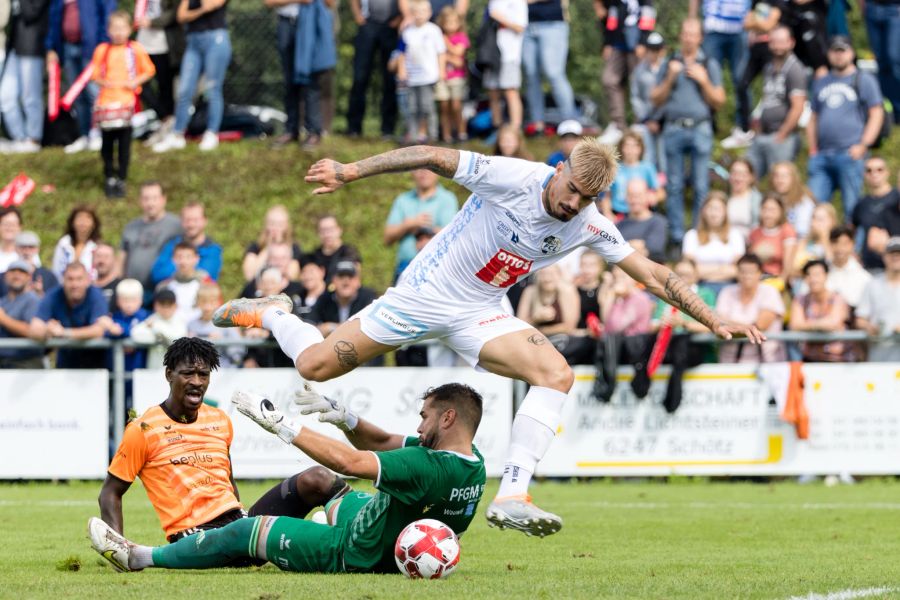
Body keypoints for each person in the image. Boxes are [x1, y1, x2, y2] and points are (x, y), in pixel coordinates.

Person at [213, 140, 763, 536]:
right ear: (559, 167)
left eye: (584, 199)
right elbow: (432, 155)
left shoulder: (589, 221)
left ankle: (515, 494)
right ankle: (274, 312)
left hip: (480, 313)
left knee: (556, 374)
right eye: (570, 189)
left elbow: (651, 272)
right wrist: (351, 171)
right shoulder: (513, 177)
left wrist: (711, 318)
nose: (571, 204)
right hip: (422, 297)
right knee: (314, 366)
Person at [89, 381, 487, 575]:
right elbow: (381, 440)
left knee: (246, 529)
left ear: (447, 417)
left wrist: (283, 426)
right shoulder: (475, 465)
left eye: (426, 417)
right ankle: (303, 524)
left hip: (354, 550)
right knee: (317, 480)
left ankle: (140, 557)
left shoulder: (424, 464)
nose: (420, 426)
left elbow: (351, 462)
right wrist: (346, 417)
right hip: (382, 526)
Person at [95, 337, 245, 540]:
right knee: (273, 537)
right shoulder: (143, 429)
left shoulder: (220, 419)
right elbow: (110, 493)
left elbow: (229, 483)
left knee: (303, 483)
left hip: (237, 524)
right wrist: (117, 548)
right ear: (169, 375)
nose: (196, 382)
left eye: (203, 374)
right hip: (193, 534)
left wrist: (242, 521)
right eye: (187, 374)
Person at [651, 18, 725, 245]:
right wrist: (671, 77)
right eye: (685, 33)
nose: (689, 38)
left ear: (700, 38)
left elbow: (720, 100)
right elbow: (655, 98)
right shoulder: (670, 61)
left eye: (693, 34)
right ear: (681, 36)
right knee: (674, 185)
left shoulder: (709, 63)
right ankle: (676, 236)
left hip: (700, 128)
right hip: (674, 128)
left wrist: (704, 81)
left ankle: (697, 234)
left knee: (701, 185)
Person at [806, 35, 884, 221]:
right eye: (835, 51)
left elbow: (876, 113)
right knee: (813, 209)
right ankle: (816, 247)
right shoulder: (821, 81)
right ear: (829, 54)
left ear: (851, 53)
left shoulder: (863, 79)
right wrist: (812, 149)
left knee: (853, 209)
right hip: (822, 155)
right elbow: (813, 117)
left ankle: (854, 249)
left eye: (843, 51)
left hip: (850, 153)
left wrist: (864, 145)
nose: (839, 55)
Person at [90, 11, 156, 199]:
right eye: (115, 28)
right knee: (107, 144)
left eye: (122, 28)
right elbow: (94, 74)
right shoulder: (102, 50)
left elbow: (149, 70)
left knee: (125, 144)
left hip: (126, 103)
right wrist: (104, 82)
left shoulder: (135, 49)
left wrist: (135, 81)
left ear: (129, 29)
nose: (118, 32)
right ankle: (109, 175)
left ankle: (122, 178)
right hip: (107, 103)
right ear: (109, 30)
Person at [151, 0, 232, 153]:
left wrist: (194, 13)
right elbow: (181, 16)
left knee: (213, 88)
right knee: (184, 90)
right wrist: (200, 11)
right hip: (193, 42)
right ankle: (177, 134)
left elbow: (211, 5)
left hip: (216, 38)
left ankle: (211, 133)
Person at [266, 0, 336, 150]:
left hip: (312, 24)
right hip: (286, 25)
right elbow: (268, 2)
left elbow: (331, 3)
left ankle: (314, 131)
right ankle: (291, 130)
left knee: (312, 79)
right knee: (289, 81)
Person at [46, 0, 112, 153]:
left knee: (94, 92)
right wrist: (51, 47)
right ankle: (84, 135)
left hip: (91, 47)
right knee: (77, 96)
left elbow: (108, 12)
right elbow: (53, 18)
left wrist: (103, 43)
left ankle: (98, 134)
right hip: (67, 46)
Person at [744, 24, 807, 180]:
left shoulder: (795, 69)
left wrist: (782, 133)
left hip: (782, 135)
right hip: (763, 134)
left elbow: (798, 107)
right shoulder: (769, 67)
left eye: (781, 41)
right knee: (747, 174)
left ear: (791, 42)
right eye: (774, 42)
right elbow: (767, 99)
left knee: (780, 182)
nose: (777, 46)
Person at [688, 0, 752, 150]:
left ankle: (743, 128)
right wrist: (692, 18)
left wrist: (755, 19)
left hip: (740, 28)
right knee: (706, 77)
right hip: (713, 27)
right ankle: (708, 124)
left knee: (742, 79)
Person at [593, 0, 656, 145]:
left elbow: (648, 14)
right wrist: (607, 43)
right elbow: (612, 18)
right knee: (609, 79)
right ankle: (618, 124)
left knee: (638, 82)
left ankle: (639, 122)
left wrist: (643, 40)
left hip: (637, 45)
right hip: (617, 44)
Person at [29, 262, 110, 369]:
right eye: (70, 279)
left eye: (79, 279)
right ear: (63, 280)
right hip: (65, 366)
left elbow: (99, 331)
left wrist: (64, 332)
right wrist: (48, 329)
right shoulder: (54, 295)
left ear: (87, 281)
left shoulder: (96, 295)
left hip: (96, 369)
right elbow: (34, 328)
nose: (74, 284)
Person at [384, 168, 458, 280]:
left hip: (436, 268)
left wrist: (427, 232)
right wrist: (407, 225)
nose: (424, 172)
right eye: (419, 168)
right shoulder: (402, 200)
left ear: (438, 172)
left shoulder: (448, 199)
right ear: (411, 172)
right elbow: (387, 238)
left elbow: (453, 236)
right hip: (404, 268)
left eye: (429, 168)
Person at [345, 0, 404, 138]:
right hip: (368, 25)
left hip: (391, 27)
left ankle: (388, 129)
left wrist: (399, 19)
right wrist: (358, 15)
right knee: (360, 77)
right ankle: (354, 127)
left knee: (390, 79)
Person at [716, 253, 786, 363]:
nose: (747, 276)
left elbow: (761, 325)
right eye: (743, 271)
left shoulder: (770, 291)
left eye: (751, 272)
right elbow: (718, 322)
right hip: (730, 361)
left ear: (760, 273)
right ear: (737, 273)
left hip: (766, 361)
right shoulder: (727, 292)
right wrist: (745, 326)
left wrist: (729, 325)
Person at [0, 0, 49, 154]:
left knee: (31, 96)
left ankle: (33, 138)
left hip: (32, 45)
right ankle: (19, 138)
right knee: (5, 96)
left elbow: (30, 13)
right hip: (14, 47)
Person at [522, 0, 575, 135]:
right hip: (524, 25)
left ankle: (570, 124)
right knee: (531, 75)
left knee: (554, 73)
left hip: (552, 24)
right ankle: (537, 125)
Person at [790, 259, 859, 363]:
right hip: (810, 359)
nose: (813, 279)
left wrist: (807, 325)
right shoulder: (801, 300)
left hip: (838, 360)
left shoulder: (837, 298)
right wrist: (821, 325)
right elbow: (795, 325)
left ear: (826, 276)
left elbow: (833, 323)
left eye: (817, 274)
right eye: (808, 275)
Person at [119, 182, 183, 293]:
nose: (150, 203)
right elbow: (121, 258)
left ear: (163, 199)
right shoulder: (131, 227)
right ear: (140, 201)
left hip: (164, 290)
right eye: (146, 198)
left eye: (155, 198)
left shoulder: (176, 225)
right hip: (133, 292)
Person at [136, 0, 184, 143]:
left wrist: (153, 22)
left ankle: (166, 128)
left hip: (162, 45)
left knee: (165, 87)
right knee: (140, 86)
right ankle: (165, 117)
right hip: (143, 43)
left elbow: (174, 13)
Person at [399, 0, 445, 142]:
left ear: (429, 13)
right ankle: (412, 137)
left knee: (427, 107)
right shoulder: (407, 31)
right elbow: (401, 52)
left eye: (423, 12)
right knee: (412, 108)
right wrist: (402, 70)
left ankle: (432, 136)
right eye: (416, 12)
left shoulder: (434, 30)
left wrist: (441, 71)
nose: (419, 15)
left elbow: (441, 52)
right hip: (412, 78)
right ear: (411, 13)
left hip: (428, 77)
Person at [682, 192, 745, 294]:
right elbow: (690, 270)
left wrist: (703, 270)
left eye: (718, 209)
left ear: (725, 212)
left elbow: (737, 270)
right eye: (710, 208)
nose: (714, 213)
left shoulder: (735, 235)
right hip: (699, 287)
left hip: (730, 287)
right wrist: (723, 268)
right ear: (703, 211)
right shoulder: (691, 235)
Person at [150, 202, 223, 284]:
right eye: (187, 220)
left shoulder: (212, 250)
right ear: (181, 221)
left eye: (195, 220)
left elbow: (205, 276)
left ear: (204, 221)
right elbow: (157, 274)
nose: (191, 224)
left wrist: (177, 263)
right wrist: (189, 267)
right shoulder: (172, 244)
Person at [484, 0, 527, 132]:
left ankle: (515, 129)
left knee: (510, 91)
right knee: (493, 92)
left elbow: (520, 27)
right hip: (491, 54)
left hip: (509, 55)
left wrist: (500, 18)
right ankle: (497, 129)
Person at [856, 237, 900, 362]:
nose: (896, 257)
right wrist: (870, 327)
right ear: (884, 256)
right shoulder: (872, 284)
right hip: (878, 353)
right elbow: (860, 319)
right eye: (892, 254)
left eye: (899, 254)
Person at [629, 31, 667, 174]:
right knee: (647, 157)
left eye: (657, 49)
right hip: (646, 122)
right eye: (651, 49)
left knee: (664, 160)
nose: (655, 53)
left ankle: (664, 190)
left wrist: (660, 120)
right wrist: (647, 119)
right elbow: (635, 97)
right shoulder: (639, 71)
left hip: (665, 122)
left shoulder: (669, 68)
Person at [853, 156, 900, 271]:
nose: (874, 174)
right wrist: (853, 254)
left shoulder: (896, 198)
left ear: (887, 172)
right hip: (870, 266)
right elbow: (852, 230)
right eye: (869, 170)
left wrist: (888, 244)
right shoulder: (862, 203)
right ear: (864, 174)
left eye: (879, 169)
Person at [604, 130, 664, 217]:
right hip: (619, 213)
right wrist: (608, 214)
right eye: (627, 146)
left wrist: (653, 197)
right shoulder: (614, 169)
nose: (630, 150)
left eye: (634, 146)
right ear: (621, 148)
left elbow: (661, 193)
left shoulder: (647, 168)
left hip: (640, 213)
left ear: (640, 149)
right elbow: (607, 197)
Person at [187, 282, 244, 368]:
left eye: (212, 302)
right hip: (197, 373)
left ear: (218, 302)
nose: (207, 307)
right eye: (203, 302)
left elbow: (238, 352)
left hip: (223, 371)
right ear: (198, 302)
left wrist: (222, 341)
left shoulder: (227, 324)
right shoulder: (191, 325)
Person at [0, 259, 44, 368]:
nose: (16, 275)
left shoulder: (33, 300)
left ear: (29, 277)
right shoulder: (3, 301)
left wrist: (3, 319)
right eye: (13, 271)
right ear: (5, 276)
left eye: (21, 272)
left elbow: (33, 331)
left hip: (25, 363)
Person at [862, 0, 900, 126]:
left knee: (894, 59)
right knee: (881, 64)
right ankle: (890, 112)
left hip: (894, 8)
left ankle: (898, 108)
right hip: (872, 8)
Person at [516, 264, 579, 339]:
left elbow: (569, 327)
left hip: (561, 339)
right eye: (543, 274)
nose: (547, 278)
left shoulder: (567, 291)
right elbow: (519, 326)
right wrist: (535, 319)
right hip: (534, 339)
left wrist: (541, 330)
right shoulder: (530, 292)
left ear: (559, 275)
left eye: (551, 274)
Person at [105, 278, 150, 381]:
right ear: (118, 301)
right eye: (125, 300)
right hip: (116, 369)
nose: (129, 304)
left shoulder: (146, 317)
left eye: (133, 300)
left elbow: (140, 331)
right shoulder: (114, 318)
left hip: (140, 369)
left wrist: (122, 331)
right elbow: (106, 332)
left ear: (141, 300)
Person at [243, 205, 302, 282]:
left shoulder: (294, 247)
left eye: (280, 224)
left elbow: (292, 275)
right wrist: (268, 247)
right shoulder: (255, 247)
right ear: (266, 225)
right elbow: (250, 275)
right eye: (272, 223)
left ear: (286, 226)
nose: (275, 228)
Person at [435, 5, 468, 143]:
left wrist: (444, 46)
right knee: (444, 107)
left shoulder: (461, 37)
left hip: (457, 78)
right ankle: (446, 135)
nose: (451, 25)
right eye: (448, 22)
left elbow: (458, 56)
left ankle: (461, 133)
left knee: (456, 106)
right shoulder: (437, 38)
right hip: (442, 78)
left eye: (454, 22)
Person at [156, 242, 211, 324]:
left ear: (196, 259)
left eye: (188, 257)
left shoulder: (207, 284)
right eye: (179, 257)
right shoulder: (164, 286)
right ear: (173, 259)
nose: (183, 261)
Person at [131, 288, 188, 368]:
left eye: (169, 305)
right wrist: (160, 337)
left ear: (175, 306)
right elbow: (135, 334)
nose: (165, 309)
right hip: (154, 368)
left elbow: (177, 337)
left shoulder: (180, 319)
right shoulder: (153, 318)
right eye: (162, 305)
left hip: (176, 368)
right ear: (156, 305)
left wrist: (155, 328)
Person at [617, 178, 668, 263]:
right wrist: (639, 246)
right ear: (626, 198)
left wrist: (624, 246)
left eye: (638, 195)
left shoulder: (658, 222)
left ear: (647, 196)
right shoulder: (620, 225)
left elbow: (654, 249)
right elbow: (612, 251)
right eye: (631, 195)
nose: (634, 200)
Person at [747, 195, 797, 280]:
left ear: (781, 211)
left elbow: (788, 265)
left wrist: (780, 283)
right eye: (765, 209)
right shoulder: (754, 233)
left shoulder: (787, 231)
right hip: (756, 280)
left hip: (776, 279)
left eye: (772, 210)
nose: (768, 214)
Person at [240, 243, 305, 305]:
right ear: (268, 260)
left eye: (283, 258)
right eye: (275, 258)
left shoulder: (300, 289)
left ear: (290, 260)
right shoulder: (254, 286)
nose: (279, 262)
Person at [599, 264, 654, 337]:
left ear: (634, 278)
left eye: (622, 277)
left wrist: (611, 294)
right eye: (616, 278)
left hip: (634, 345)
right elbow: (605, 321)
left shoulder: (639, 299)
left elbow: (616, 327)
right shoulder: (620, 298)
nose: (618, 281)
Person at [826, 225, 871, 311]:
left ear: (852, 245)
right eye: (835, 242)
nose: (840, 248)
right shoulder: (821, 272)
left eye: (845, 243)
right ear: (830, 244)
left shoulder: (864, 278)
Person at [51, 205, 101, 281]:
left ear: (94, 223)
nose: (83, 222)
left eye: (87, 218)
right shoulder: (64, 244)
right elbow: (56, 269)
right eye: (79, 217)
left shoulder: (98, 246)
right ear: (72, 222)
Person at [310, 214, 361, 284]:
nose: (327, 234)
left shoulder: (349, 253)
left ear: (339, 230)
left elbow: (354, 278)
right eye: (323, 230)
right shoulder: (314, 256)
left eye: (331, 229)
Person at [770, 161, 815, 239]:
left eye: (784, 176)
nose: (780, 180)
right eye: (776, 176)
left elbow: (803, 233)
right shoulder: (770, 200)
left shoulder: (803, 202)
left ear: (793, 178)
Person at [727, 157, 762, 241]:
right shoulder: (725, 200)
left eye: (743, 175)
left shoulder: (759, 201)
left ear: (751, 177)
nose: (738, 178)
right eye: (734, 173)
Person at [15, 230, 58, 295]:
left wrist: (40, 293)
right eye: (23, 247)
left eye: (31, 247)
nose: (27, 251)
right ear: (16, 249)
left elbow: (55, 301)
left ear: (37, 249)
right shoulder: (6, 276)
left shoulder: (48, 276)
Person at [92, 241, 122, 307]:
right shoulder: (87, 288)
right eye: (98, 256)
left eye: (106, 257)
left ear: (114, 259)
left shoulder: (121, 287)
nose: (102, 261)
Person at [0, 206, 22, 271]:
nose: (9, 228)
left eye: (13, 224)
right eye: (5, 224)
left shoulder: (28, 252)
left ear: (20, 227)